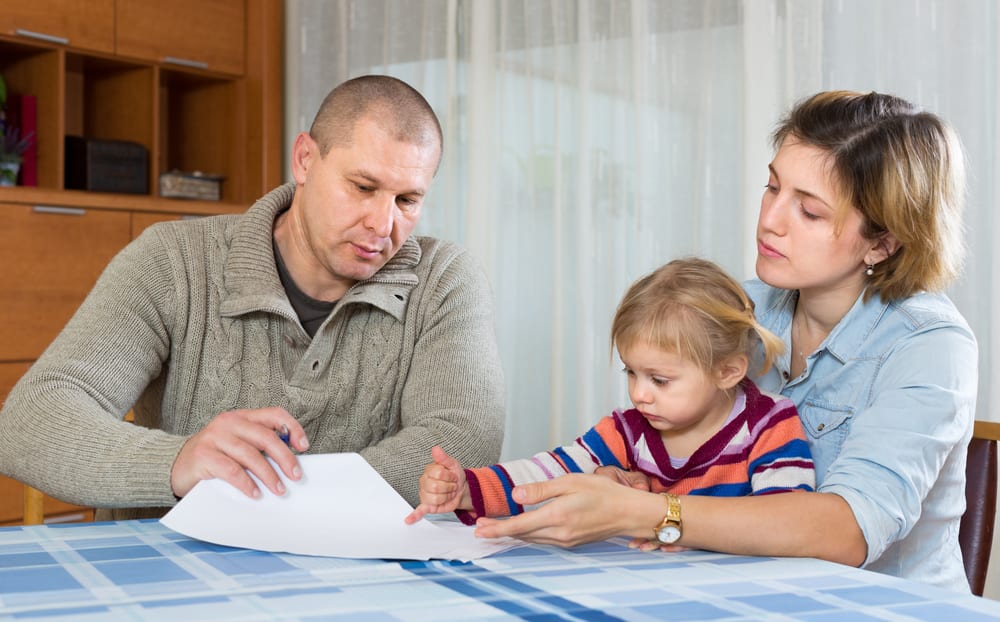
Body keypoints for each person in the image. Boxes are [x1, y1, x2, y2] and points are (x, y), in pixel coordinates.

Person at [473, 91, 978, 592]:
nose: (770, 220)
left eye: (809, 211)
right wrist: (628, 477)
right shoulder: (742, 307)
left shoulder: (929, 345)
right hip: (748, 591)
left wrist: (650, 512)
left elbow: (848, 532)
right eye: (772, 187)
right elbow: (670, 441)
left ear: (882, 243)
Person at [0, 75, 506, 519]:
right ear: (305, 159)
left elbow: (461, 443)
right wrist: (180, 461)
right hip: (168, 571)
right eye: (362, 187)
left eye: (407, 200)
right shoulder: (172, 260)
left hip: (350, 576)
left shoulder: (444, 280)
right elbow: (29, 421)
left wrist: (267, 491)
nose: (382, 223)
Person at [406, 257, 815, 528]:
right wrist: (468, 488)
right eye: (631, 373)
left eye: (659, 380)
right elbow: (552, 471)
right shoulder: (628, 430)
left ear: (727, 371)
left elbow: (783, 521)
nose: (640, 394)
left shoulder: (769, 425)